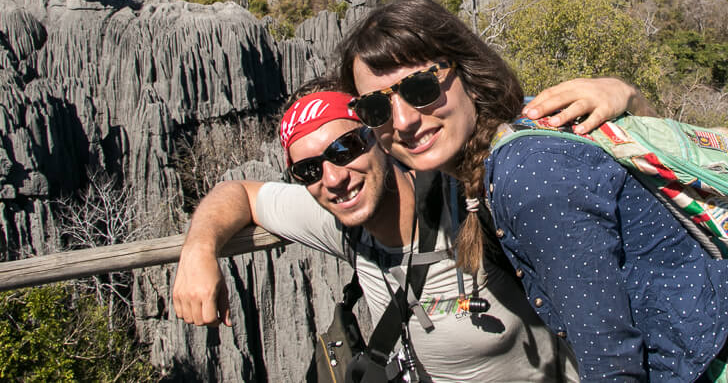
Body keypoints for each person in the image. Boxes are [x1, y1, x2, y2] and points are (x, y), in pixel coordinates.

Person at [335, 0, 728, 382]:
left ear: (466, 73)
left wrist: (629, 93)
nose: (404, 120)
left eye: (421, 88)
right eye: (376, 107)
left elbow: (612, 361)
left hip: (718, 366)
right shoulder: (494, 143)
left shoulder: (527, 175)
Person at [172, 75, 649, 382]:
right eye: (308, 170)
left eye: (344, 150)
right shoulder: (333, 211)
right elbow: (239, 195)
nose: (333, 177)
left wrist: (624, 95)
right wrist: (198, 249)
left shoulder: (469, 194)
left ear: (378, 138)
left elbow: (561, 157)